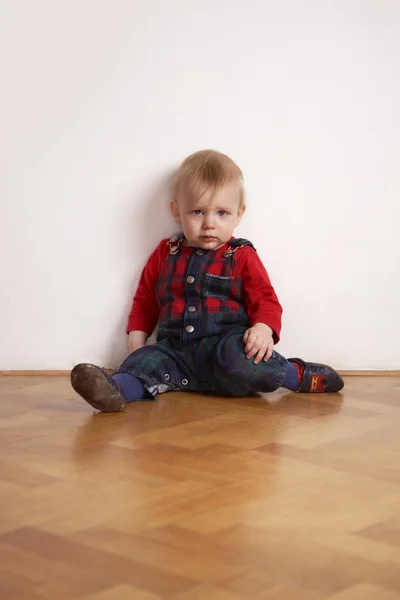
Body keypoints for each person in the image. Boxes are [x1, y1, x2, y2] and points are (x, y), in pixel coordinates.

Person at [71, 150, 344, 412]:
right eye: (198, 212)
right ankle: (116, 390)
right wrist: (136, 340)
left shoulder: (241, 255)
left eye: (222, 213)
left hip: (225, 352)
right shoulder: (166, 253)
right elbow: (145, 299)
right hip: (175, 353)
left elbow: (265, 298)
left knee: (244, 357)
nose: (209, 223)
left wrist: (263, 328)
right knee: (143, 362)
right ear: (177, 212)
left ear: (239, 214)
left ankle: (296, 375)